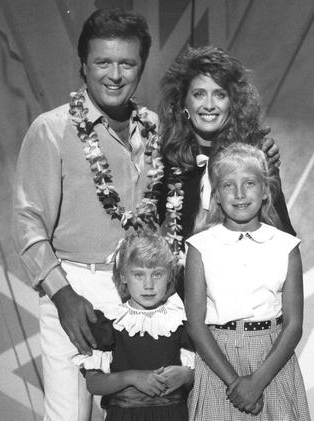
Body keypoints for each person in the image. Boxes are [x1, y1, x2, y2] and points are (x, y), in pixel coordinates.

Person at [12, 8, 163, 421]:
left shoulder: (152, 127)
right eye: (103, 62)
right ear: (83, 65)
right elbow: (29, 224)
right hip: (75, 289)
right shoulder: (51, 129)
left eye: (127, 63)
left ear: (140, 67)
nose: (114, 74)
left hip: (144, 291)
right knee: (68, 417)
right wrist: (62, 296)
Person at [184, 142, 311, 420]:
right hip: (218, 361)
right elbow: (195, 324)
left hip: (272, 361)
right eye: (228, 185)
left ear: (266, 191)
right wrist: (234, 382)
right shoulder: (200, 247)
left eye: (250, 183)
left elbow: (293, 326)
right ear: (215, 195)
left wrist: (256, 382)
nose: (239, 194)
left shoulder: (286, 246)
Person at [158, 46, 295, 248]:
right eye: (199, 94)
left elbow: (283, 233)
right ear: (183, 102)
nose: (209, 105)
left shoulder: (254, 156)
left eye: (220, 95)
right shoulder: (166, 160)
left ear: (233, 103)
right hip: (183, 275)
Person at [72, 230, 194, 421]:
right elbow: (93, 384)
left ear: (170, 276)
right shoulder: (111, 323)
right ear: (123, 277)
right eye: (139, 275)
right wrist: (131, 377)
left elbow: (199, 375)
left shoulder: (179, 321)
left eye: (157, 274)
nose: (148, 285)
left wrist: (187, 375)